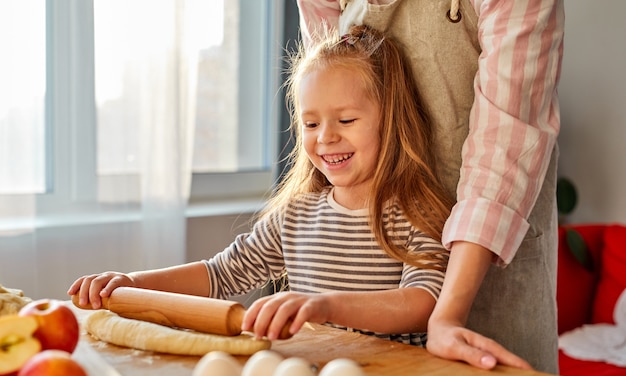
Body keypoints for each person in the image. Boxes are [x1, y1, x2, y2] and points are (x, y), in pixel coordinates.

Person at [68, 25, 454, 346]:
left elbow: (424, 302)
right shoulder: (296, 215)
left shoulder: (417, 213)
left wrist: (324, 306)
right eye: (311, 124)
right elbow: (221, 274)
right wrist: (133, 283)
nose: (326, 138)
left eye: (347, 120)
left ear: (392, 119)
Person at [297, 0, 564, 374]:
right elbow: (325, 86)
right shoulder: (295, 219)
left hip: (492, 256)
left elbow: (504, 147)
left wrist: (445, 316)